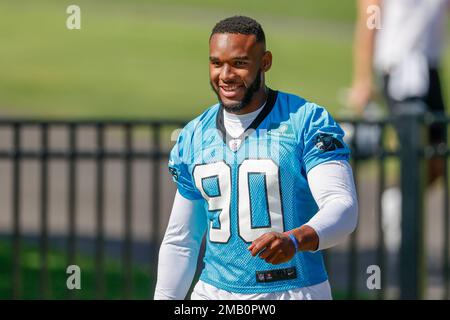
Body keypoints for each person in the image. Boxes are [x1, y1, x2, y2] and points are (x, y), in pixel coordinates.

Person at [154, 16, 358, 300]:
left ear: (265, 62)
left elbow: (343, 207)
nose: (225, 75)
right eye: (216, 63)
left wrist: (295, 240)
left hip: (293, 290)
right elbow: (182, 240)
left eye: (239, 63)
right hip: (213, 293)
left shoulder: (306, 121)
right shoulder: (193, 135)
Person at [349, 0, 448, 251]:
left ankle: (398, 200)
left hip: (429, 67)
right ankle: (403, 232)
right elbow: (368, 23)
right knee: (412, 147)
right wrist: (363, 80)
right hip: (398, 67)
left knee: (436, 160)